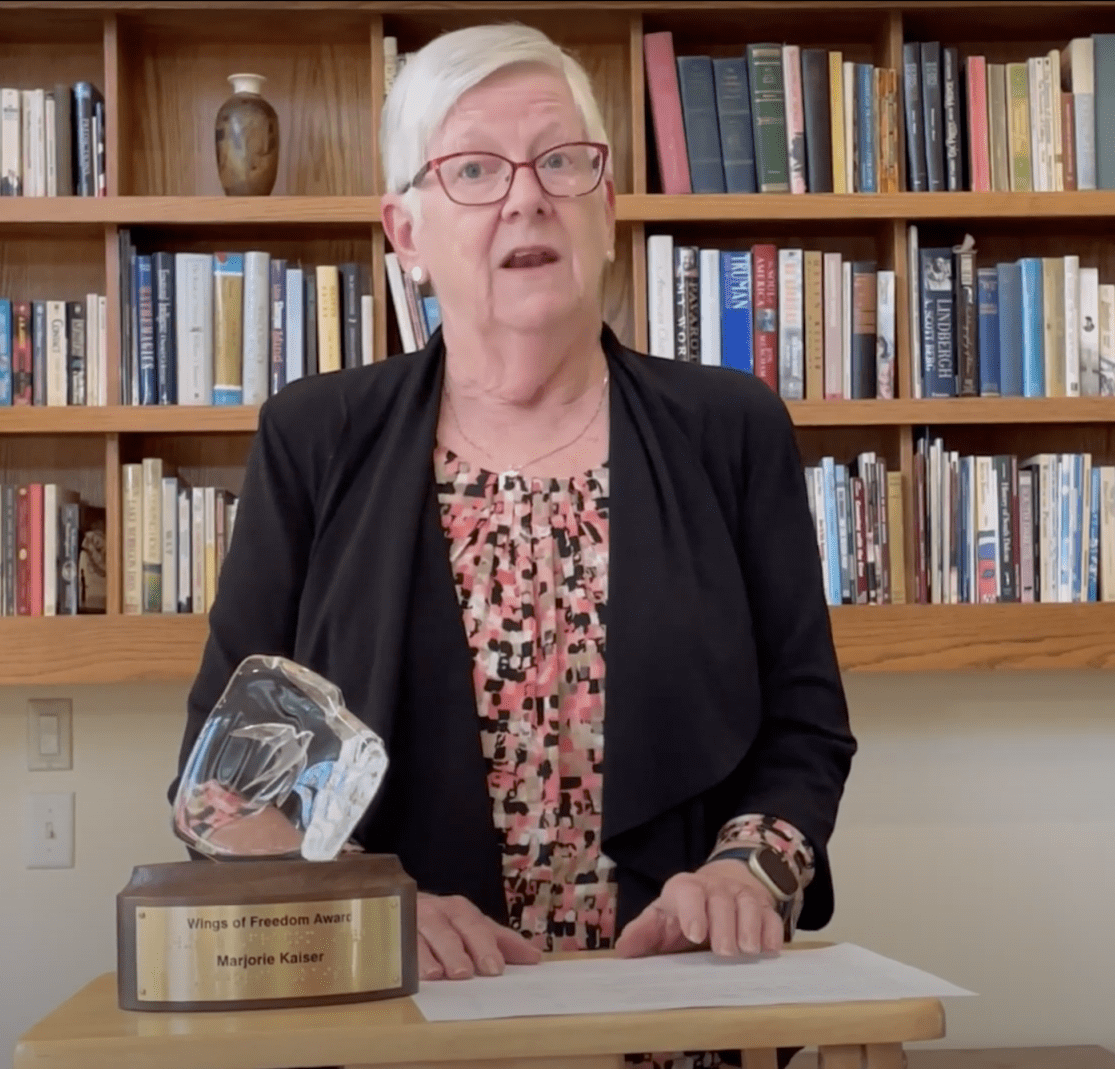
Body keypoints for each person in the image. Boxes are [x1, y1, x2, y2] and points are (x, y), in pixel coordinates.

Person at [175, 22, 856, 1067]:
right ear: (405, 230)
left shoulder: (732, 427)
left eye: (561, 160)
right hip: (398, 1020)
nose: (526, 196)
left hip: (681, 1013)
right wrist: (367, 903)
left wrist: (749, 869)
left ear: (609, 201)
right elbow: (216, 787)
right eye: (475, 169)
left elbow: (804, 727)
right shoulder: (316, 437)